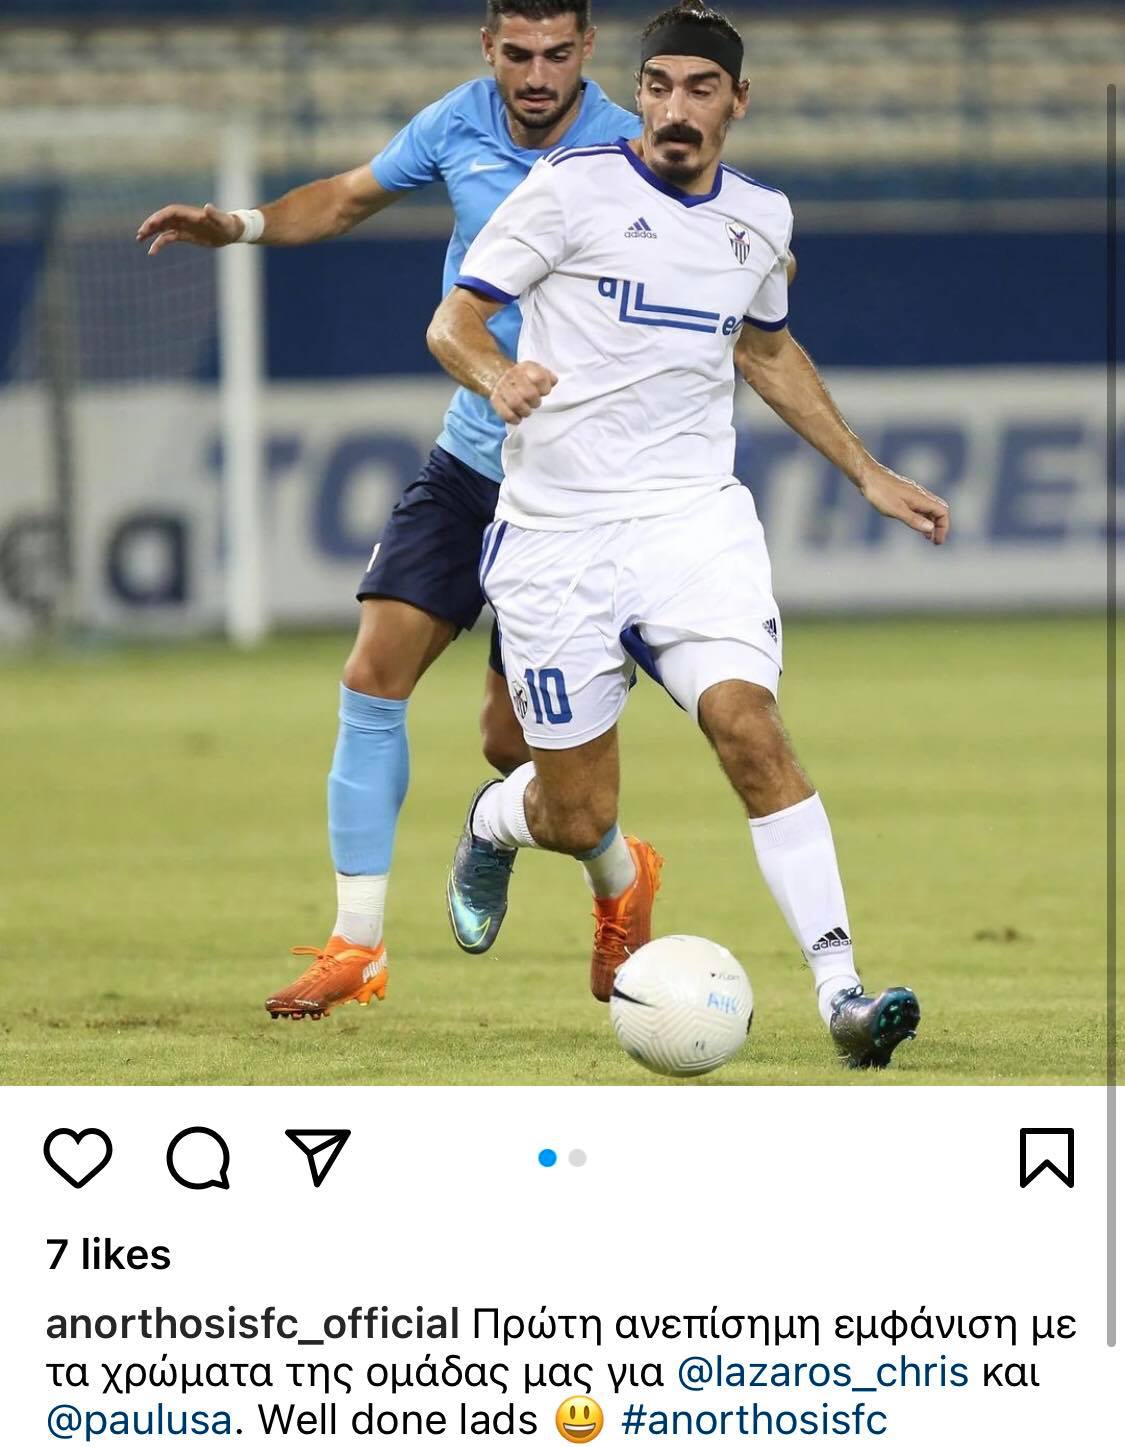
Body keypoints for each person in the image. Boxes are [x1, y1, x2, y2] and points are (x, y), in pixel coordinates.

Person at [428, 2, 950, 1067]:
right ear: (639, 93)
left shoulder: (759, 219)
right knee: (579, 816)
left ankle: (843, 996)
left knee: (750, 728)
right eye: (658, 86)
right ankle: (495, 821)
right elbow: (455, 321)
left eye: (699, 89)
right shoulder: (567, 188)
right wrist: (498, 374)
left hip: (691, 525)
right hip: (557, 538)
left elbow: (766, 351)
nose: (675, 108)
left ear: (736, 101)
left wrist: (867, 470)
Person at [136, 1, 656, 1020]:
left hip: (580, 491)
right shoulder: (456, 121)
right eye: (518, 54)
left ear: (588, 50)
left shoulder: (630, 148)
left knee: (513, 749)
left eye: (557, 54)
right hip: (470, 459)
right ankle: (356, 945)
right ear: (488, 47)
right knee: (373, 673)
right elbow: (342, 199)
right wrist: (236, 225)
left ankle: (619, 876)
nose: (536, 75)